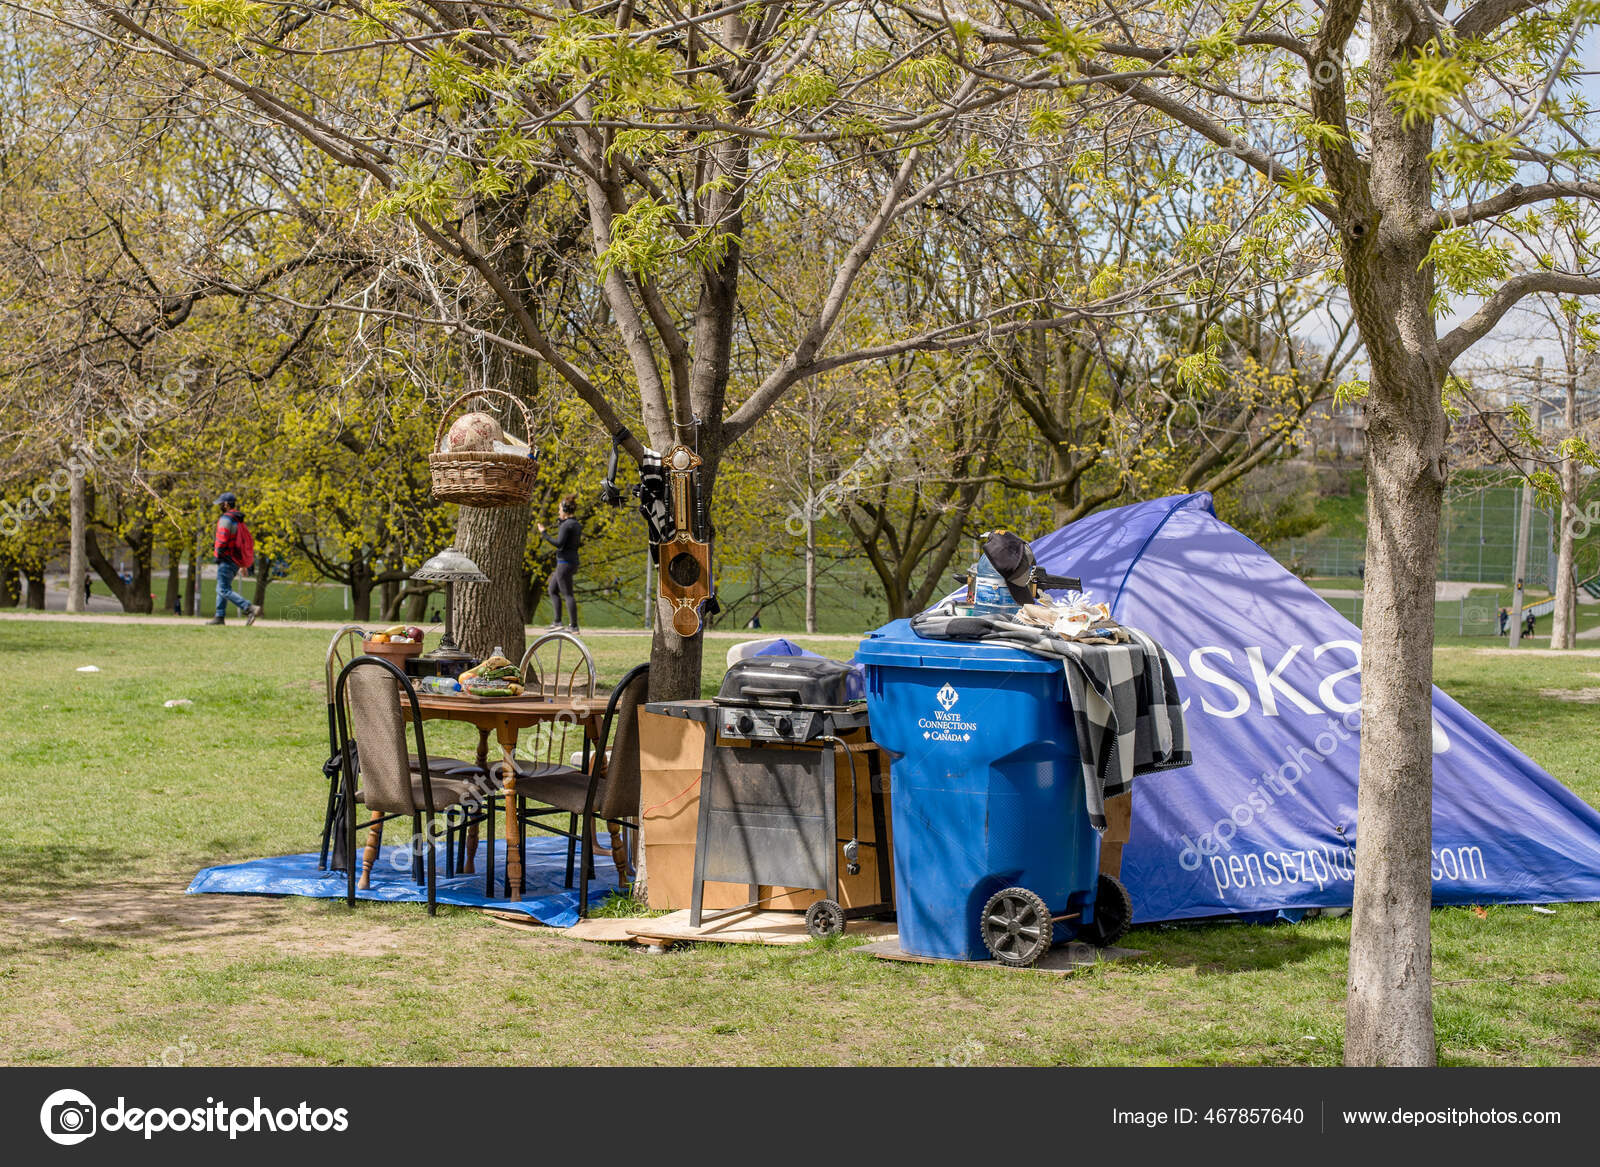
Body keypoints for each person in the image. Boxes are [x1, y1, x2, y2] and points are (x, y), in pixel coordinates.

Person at [207, 491, 261, 626]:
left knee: (223, 589)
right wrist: (242, 564)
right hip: (235, 560)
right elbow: (240, 542)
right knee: (222, 586)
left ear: (226, 504)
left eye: (221, 503)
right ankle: (219, 617)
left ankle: (249, 607)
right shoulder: (238, 520)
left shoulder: (226, 519)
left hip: (226, 558)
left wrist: (218, 554)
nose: (219, 506)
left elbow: (222, 538)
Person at [538, 494, 582, 632]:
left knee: (568, 594)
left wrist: (544, 533)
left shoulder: (566, 525)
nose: (558, 512)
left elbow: (559, 544)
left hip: (564, 563)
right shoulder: (575, 524)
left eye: (559, 509)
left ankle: (573, 626)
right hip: (571, 561)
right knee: (552, 589)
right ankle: (557, 622)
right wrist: (561, 523)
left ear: (565, 509)